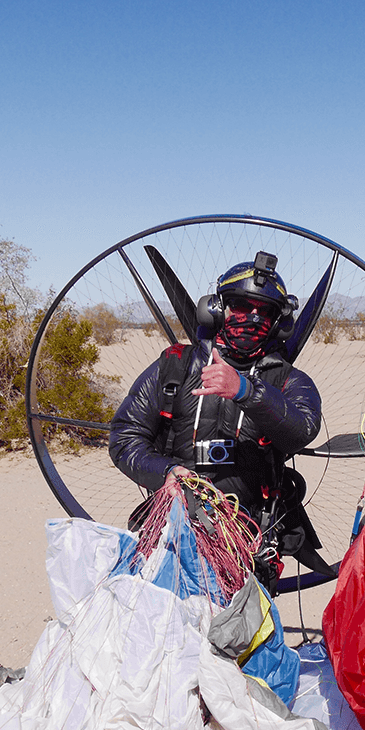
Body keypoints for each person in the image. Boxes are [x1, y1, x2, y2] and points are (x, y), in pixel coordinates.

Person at [109, 252, 324, 590]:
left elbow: (302, 430)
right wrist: (165, 472)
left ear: (279, 323)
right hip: (171, 531)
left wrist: (247, 391)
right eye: (241, 306)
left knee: (240, 623)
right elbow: (125, 437)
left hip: (249, 539)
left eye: (265, 311)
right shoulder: (174, 367)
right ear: (216, 309)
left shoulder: (288, 381)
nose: (253, 318)